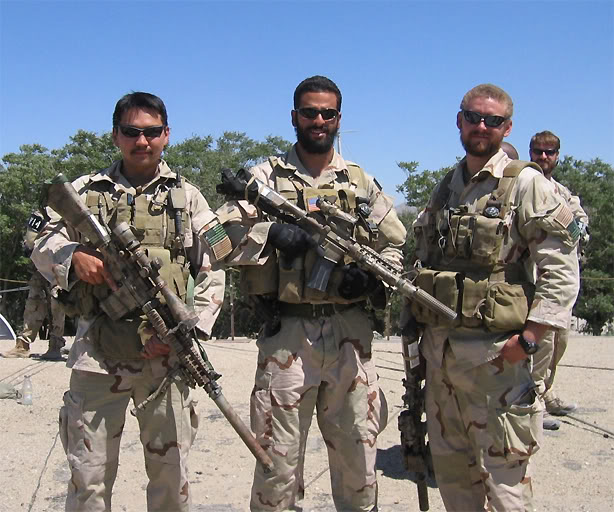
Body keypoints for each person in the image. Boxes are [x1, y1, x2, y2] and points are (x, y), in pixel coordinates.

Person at [215, 75, 406, 511]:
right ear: (294, 117)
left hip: (351, 337)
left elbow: (395, 245)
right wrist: (269, 233)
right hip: (288, 335)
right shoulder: (262, 178)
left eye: (327, 113)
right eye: (309, 112)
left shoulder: (360, 182)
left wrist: (372, 281)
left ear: (339, 118)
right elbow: (216, 239)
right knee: (276, 469)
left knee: (359, 465)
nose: (318, 120)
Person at [31, 92, 225, 511]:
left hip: (165, 359)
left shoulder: (188, 197)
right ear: (115, 135)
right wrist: (73, 256)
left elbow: (214, 269)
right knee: (88, 479)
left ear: (167, 135)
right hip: (97, 357)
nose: (142, 141)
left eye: (152, 132)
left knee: (171, 480)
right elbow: (38, 241)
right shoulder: (85, 191)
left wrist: (187, 330)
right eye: (132, 131)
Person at [410, 84, 580, 510]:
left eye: (493, 121)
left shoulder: (527, 184)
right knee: (454, 485)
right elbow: (423, 261)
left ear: (508, 127)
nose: (481, 127)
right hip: (442, 362)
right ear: (459, 121)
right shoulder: (446, 187)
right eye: (473, 117)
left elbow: (561, 271)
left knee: (506, 489)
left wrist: (529, 340)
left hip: (496, 363)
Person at [529, 130, 588, 429]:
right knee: (542, 341)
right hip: (535, 278)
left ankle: (546, 391)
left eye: (549, 152)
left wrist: (579, 228)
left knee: (559, 340)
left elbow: (580, 221)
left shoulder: (562, 192)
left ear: (557, 156)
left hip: (562, 279)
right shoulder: (526, 185)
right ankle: (533, 401)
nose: (543, 157)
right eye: (538, 151)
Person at [2, 210, 67, 360]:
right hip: (40, 262)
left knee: (58, 302)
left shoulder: (67, 210)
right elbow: (30, 239)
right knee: (34, 300)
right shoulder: (42, 212)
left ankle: (56, 345)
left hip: (60, 262)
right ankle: (23, 345)